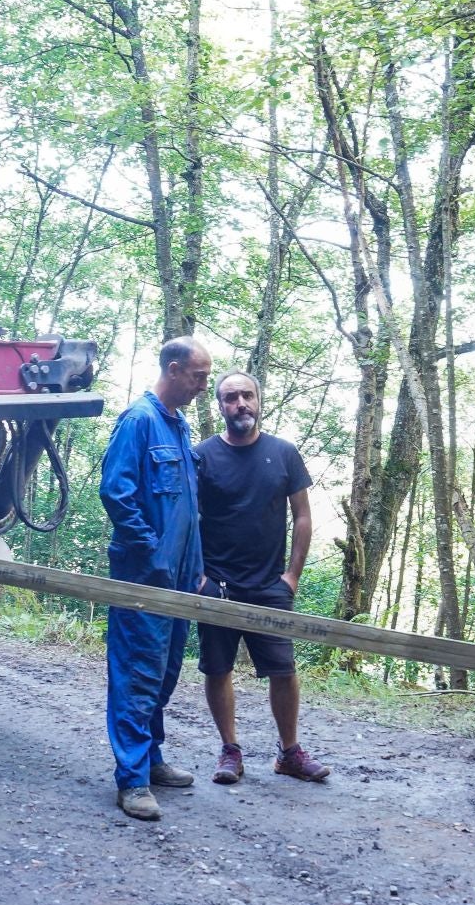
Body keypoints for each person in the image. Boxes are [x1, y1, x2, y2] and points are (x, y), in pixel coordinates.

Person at [194, 371, 329, 784]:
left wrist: (292, 576)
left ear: (258, 399)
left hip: (270, 584)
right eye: (231, 397)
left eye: (247, 396)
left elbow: (302, 515)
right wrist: (197, 575)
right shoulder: (202, 456)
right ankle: (230, 751)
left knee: (283, 669)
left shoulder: (283, 453)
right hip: (216, 583)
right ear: (220, 405)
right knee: (218, 669)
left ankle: (289, 753)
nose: (240, 404)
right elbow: (186, 517)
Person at [98, 336, 212, 821]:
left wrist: (196, 566)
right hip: (145, 577)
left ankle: (153, 757)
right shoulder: (140, 421)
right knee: (138, 672)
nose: (203, 387)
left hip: (182, 578)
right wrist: (151, 555)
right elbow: (116, 493)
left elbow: (187, 507)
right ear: (173, 368)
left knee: (165, 671)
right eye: (199, 377)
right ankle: (132, 779)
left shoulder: (178, 425)